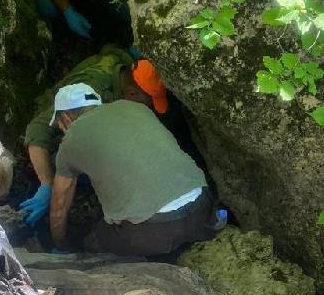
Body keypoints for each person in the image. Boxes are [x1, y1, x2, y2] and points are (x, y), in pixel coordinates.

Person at [49, 84, 217, 256]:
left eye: (59, 124)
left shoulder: (71, 139)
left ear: (66, 118)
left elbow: (59, 208)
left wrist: (60, 243)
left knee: (94, 239)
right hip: (202, 208)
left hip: (155, 231)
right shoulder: (134, 106)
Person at [21, 46, 168, 225]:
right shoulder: (90, 91)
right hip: (60, 130)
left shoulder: (126, 70)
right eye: (149, 104)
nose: (150, 109)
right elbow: (38, 129)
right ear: (131, 93)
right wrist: (46, 183)